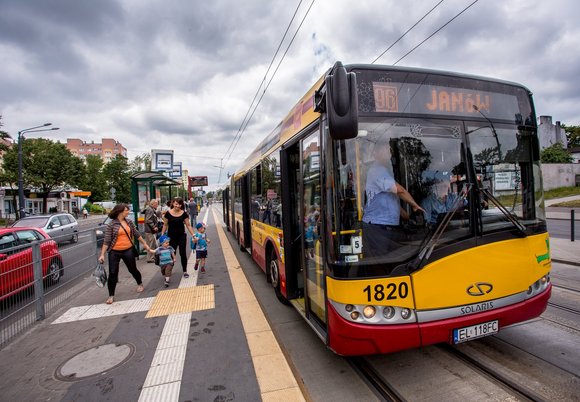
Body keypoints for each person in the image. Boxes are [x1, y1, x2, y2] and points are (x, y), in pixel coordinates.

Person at [362, 139, 424, 258]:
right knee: (380, 262)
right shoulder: (377, 170)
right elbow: (400, 190)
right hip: (377, 227)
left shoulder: (385, 171)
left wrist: (406, 216)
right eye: (385, 150)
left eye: (389, 150)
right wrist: (414, 205)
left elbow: (389, 198)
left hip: (386, 226)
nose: (389, 153)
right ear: (376, 153)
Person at [98, 203, 154, 304]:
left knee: (132, 269)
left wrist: (145, 244)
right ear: (120, 211)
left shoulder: (129, 222)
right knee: (113, 273)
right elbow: (106, 241)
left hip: (128, 249)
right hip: (114, 251)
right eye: (126, 210)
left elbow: (136, 233)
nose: (128, 212)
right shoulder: (111, 224)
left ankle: (140, 283)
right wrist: (102, 254)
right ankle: (111, 295)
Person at [161, 197, 196, 278]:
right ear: (173, 203)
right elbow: (165, 225)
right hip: (171, 237)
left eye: (179, 204)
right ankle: (168, 271)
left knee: (183, 253)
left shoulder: (184, 213)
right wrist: (162, 235)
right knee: (172, 253)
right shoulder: (168, 213)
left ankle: (185, 271)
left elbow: (188, 225)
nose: (178, 206)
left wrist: (193, 235)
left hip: (181, 236)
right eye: (176, 204)